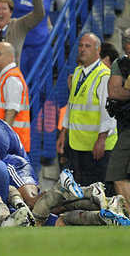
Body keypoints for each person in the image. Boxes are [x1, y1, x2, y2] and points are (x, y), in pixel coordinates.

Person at [57, 33, 117, 187]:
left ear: (98, 50)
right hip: (78, 144)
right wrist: (64, 132)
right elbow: (73, 105)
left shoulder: (104, 75)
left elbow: (108, 110)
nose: (83, 49)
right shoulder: (78, 73)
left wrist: (102, 139)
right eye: (81, 45)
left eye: (88, 46)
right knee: (80, 191)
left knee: (97, 191)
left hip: (97, 147)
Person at [0, 41, 30, 152]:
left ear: (11, 57)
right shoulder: (7, 76)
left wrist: (3, 141)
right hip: (12, 142)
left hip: (13, 145)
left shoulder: (11, 78)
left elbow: (12, 111)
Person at [106, 28, 130, 213]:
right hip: (126, 127)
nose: (127, 51)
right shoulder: (121, 63)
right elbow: (113, 91)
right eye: (126, 47)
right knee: (117, 173)